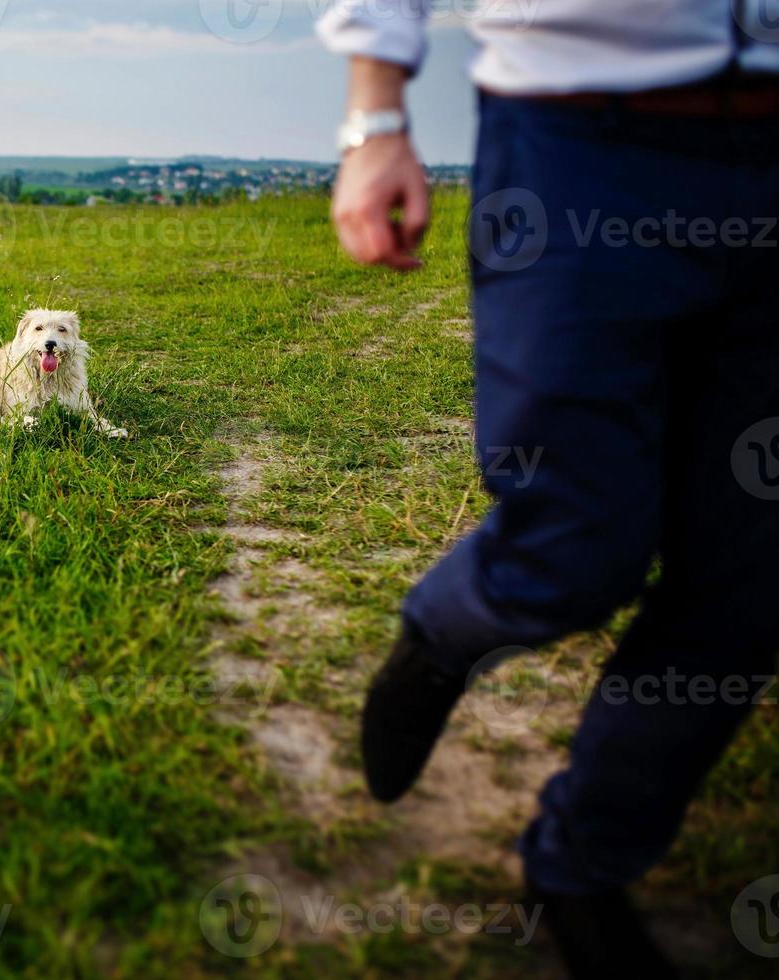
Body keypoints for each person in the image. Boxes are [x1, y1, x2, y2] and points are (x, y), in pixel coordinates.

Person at [318, 1, 779, 974]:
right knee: (574, 538)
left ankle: (581, 865)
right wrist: (378, 116)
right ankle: (449, 625)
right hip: (578, 132)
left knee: (748, 577)